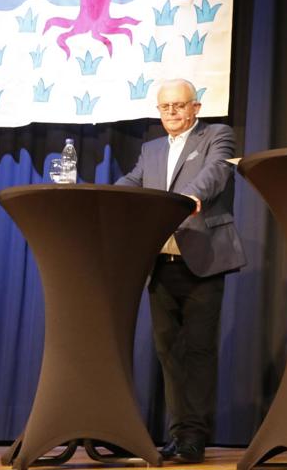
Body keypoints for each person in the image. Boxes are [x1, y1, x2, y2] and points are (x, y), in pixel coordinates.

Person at [117, 78, 246, 463]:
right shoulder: (152, 149)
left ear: (195, 107)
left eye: (179, 106)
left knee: (199, 351)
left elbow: (216, 174)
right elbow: (132, 183)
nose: (172, 113)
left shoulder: (217, 135)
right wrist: (105, 198)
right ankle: (178, 433)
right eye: (165, 108)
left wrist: (190, 197)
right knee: (168, 352)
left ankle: (195, 437)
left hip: (203, 259)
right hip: (159, 262)